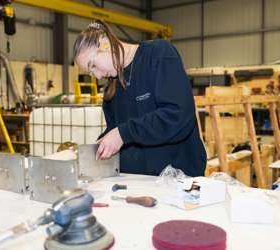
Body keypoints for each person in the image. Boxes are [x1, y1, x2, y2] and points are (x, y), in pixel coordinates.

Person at [73, 20, 206, 177]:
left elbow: (178, 115)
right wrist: (100, 146)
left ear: (105, 44)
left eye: (93, 65)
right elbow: (118, 131)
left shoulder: (158, 54)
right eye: (90, 73)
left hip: (179, 179)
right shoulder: (112, 89)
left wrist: (123, 133)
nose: (98, 76)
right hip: (135, 183)